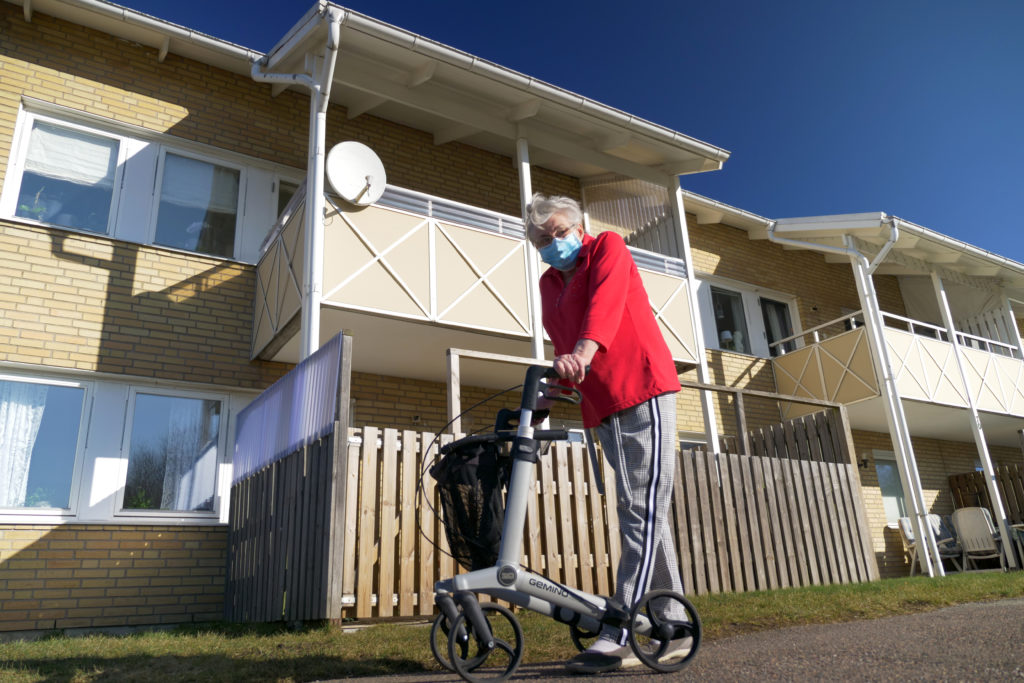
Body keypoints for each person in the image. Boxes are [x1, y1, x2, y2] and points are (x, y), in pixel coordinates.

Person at [525, 193, 690, 674]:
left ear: (578, 226)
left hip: (643, 388)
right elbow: (561, 347)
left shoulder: (607, 249)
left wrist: (582, 351)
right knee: (644, 512)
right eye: (541, 239)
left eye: (558, 232)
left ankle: (619, 630)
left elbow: (606, 306)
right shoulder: (548, 283)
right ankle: (674, 625)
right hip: (601, 406)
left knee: (639, 509)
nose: (552, 244)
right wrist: (544, 401)